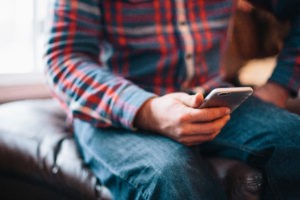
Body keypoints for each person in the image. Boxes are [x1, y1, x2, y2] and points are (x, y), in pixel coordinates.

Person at [44, 0, 300, 199]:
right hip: (114, 111)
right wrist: (147, 110)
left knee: (294, 140)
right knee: (171, 175)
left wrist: (280, 84)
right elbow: (64, 60)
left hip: (210, 96)